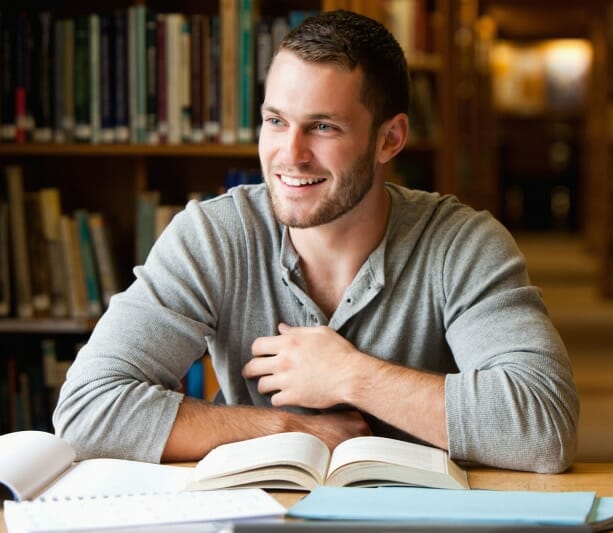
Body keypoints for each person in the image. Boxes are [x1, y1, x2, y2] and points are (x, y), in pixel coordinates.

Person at [53, 9, 579, 474]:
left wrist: (350, 376)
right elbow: (87, 411)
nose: (290, 154)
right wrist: (286, 429)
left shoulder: (463, 243)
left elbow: (543, 426)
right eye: (275, 121)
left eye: (323, 127)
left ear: (389, 139)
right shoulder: (213, 236)